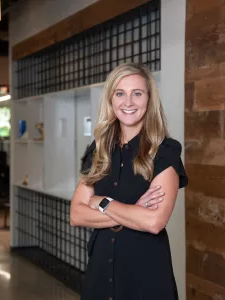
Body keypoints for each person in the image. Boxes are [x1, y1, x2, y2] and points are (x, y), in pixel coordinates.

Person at [70, 62, 188, 300]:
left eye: (137, 93)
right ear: (111, 99)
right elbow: (76, 215)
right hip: (100, 271)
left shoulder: (165, 151)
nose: (128, 102)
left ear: (149, 99)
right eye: (120, 93)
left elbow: (154, 222)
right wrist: (133, 213)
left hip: (145, 275)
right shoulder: (99, 149)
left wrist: (101, 201)